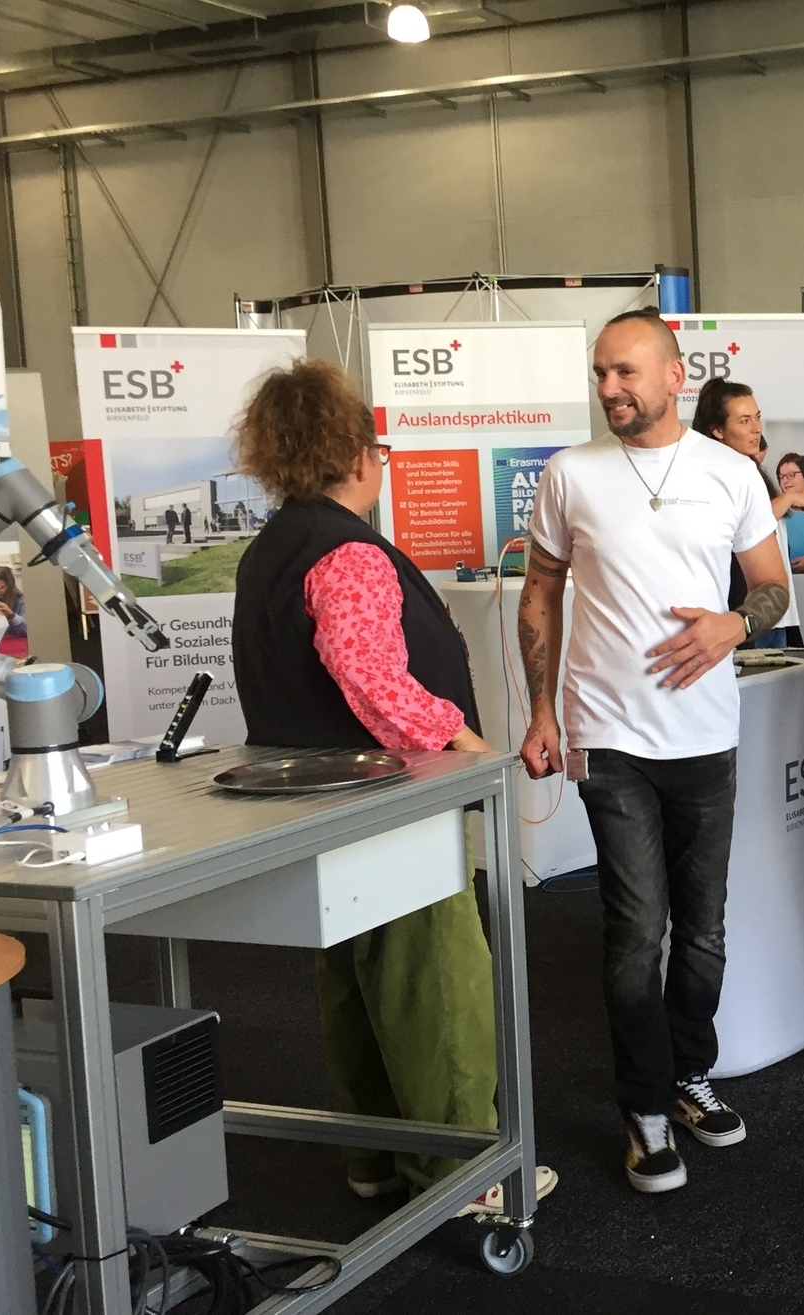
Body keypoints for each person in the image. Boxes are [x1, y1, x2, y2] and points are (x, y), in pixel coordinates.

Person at [229, 358, 554, 1217]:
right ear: (359, 456)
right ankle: (463, 1173)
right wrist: (471, 746)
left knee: (355, 981)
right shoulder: (346, 550)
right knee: (434, 984)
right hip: (390, 806)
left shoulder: (270, 549)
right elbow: (372, 677)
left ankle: (377, 1156)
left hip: (317, 805)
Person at [517, 309, 790, 1193]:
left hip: (706, 736)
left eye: (625, 371)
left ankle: (688, 1074)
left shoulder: (730, 472)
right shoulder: (570, 473)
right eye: (600, 372)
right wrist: (541, 710)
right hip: (609, 738)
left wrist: (734, 623)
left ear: (676, 376)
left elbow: (772, 586)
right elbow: (539, 594)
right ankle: (641, 1106)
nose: (609, 388)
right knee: (637, 930)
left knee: (703, 927)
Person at [691, 378, 804, 647]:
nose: (756, 428)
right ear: (718, 430)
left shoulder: (749, 471)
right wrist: (788, 498)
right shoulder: (705, 478)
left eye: (757, 417)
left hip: (766, 608)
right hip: (732, 610)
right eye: (744, 421)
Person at [0, 564, 28, 657]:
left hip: (17, 646)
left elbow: (28, 630)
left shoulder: (20, 601)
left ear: (10, 586)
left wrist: (11, 615)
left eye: (2, 587)